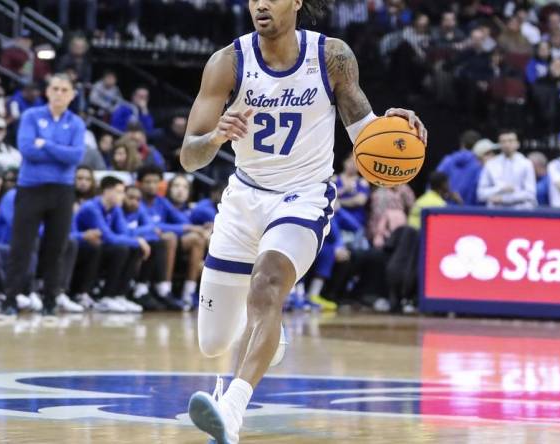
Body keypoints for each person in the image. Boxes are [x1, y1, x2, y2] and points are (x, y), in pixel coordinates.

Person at [180, 1, 427, 442]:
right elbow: (189, 156)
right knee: (213, 342)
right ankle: (270, 333)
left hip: (304, 196)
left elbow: (364, 132)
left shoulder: (332, 56)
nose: (260, 4)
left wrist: (393, 130)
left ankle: (232, 410)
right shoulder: (227, 62)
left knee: (267, 283)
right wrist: (217, 134)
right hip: (243, 199)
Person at [3, 74, 86, 316]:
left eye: (64, 90)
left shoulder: (77, 123)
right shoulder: (31, 116)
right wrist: (59, 151)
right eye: (55, 88)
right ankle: (10, 299)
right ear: (47, 92)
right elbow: (27, 149)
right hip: (30, 188)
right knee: (21, 246)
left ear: (72, 95)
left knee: (56, 248)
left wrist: (46, 145)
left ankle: (50, 301)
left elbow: (76, 157)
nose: (59, 93)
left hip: (62, 191)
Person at [72, 176, 150, 313]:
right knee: (122, 249)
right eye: (119, 192)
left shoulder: (115, 209)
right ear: (107, 191)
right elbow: (108, 238)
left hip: (100, 248)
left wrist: (137, 242)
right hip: (81, 249)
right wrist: (138, 241)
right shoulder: (91, 208)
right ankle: (103, 296)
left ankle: (119, 295)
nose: (123, 196)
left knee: (133, 249)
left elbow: (124, 233)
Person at [137, 165, 207, 310]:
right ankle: (164, 288)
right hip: (143, 240)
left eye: (155, 182)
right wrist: (185, 228)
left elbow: (183, 222)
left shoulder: (161, 201)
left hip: (164, 242)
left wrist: (197, 229)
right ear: (140, 184)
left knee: (196, 238)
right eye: (148, 182)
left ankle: (188, 293)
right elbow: (153, 226)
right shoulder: (136, 200)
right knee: (169, 237)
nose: (152, 186)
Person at [476, 130, 536, 209]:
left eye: (510, 141)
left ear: (517, 144)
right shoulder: (491, 164)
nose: (507, 144)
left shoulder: (526, 164)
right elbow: (480, 194)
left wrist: (504, 199)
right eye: (503, 141)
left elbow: (530, 194)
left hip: (521, 211)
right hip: (496, 212)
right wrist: (500, 189)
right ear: (499, 144)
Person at [436, 129, 482, 205]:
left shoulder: (447, 160)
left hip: (444, 211)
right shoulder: (480, 164)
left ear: (462, 144)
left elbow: (434, 184)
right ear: (478, 145)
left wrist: (447, 195)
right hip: (472, 212)